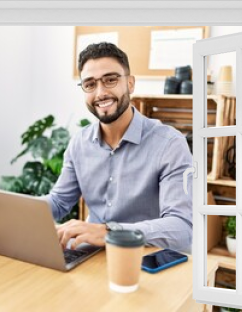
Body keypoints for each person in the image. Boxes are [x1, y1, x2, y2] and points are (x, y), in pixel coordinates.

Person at [44, 42, 193, 253]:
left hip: (146, 259)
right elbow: (59, 202)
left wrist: (109, 232)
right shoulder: (79, 143)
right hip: (91, 256)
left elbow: (181, 230)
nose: (101, 93)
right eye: (90, 84)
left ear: (130, 84)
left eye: (110, 80)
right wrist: (12, 211)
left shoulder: (169, 144)